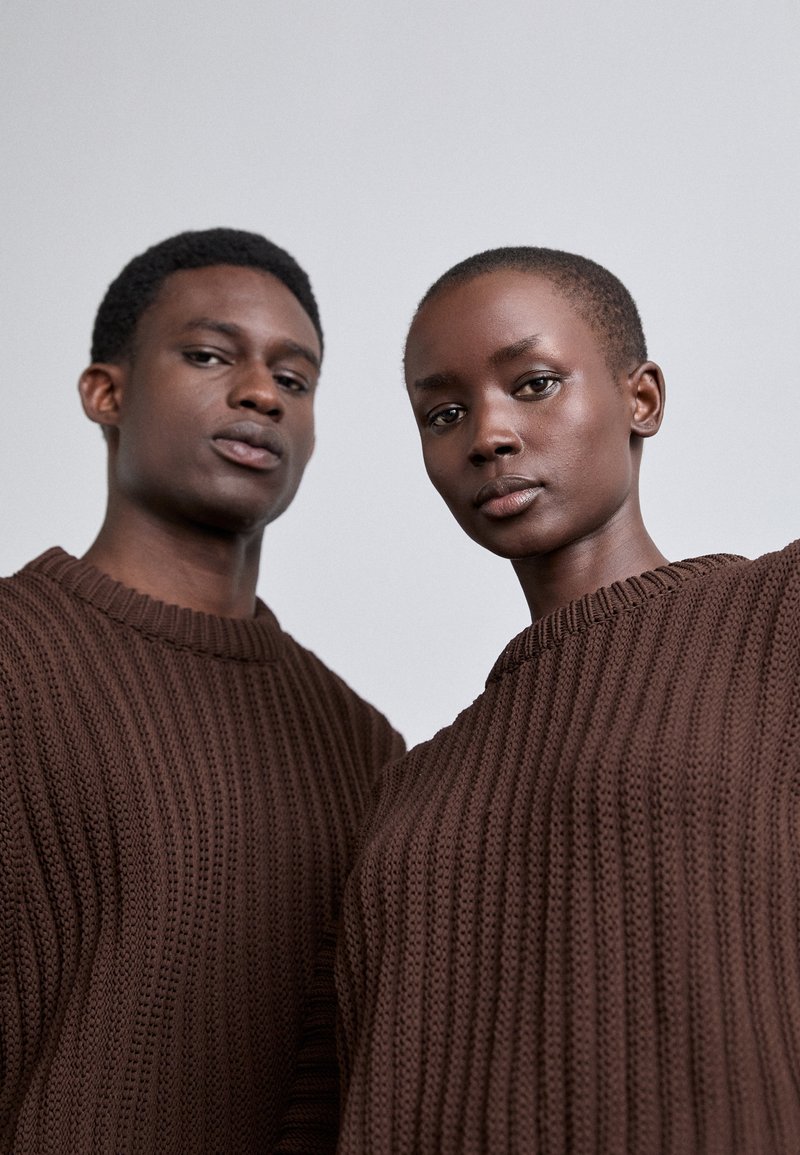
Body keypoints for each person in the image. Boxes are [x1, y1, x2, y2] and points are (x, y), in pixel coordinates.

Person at [329, 248, 800, 1153]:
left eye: (535, 383)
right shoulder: (409, 787)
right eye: (445, 412)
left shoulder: (776, 617)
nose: (488, 435)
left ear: (642, 398)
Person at [0, 228, 403, 1154]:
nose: (261, 391)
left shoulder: (365, 747)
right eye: (211, 355)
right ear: (107, 391)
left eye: (294, 380)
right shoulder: (17, 658)